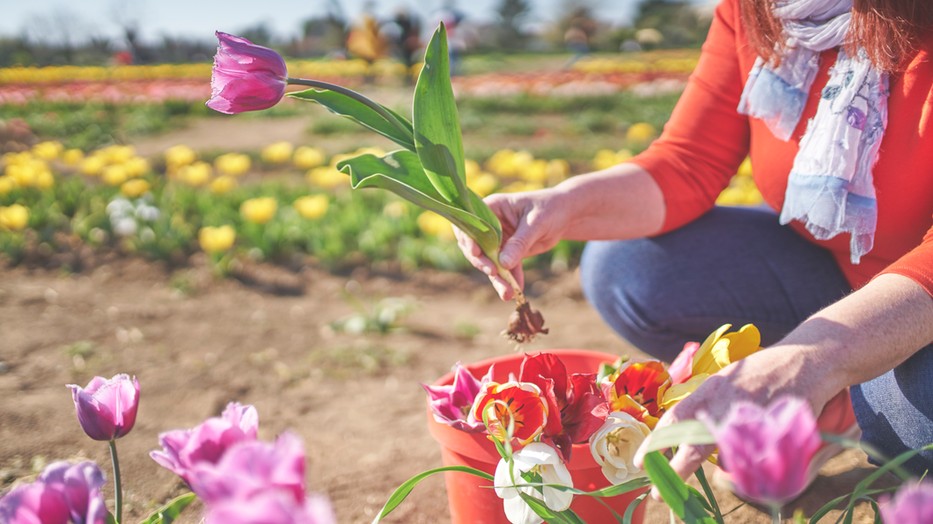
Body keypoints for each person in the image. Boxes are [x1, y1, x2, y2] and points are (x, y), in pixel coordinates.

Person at [456, 0, 933, 484]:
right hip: (844, 273)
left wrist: (818, 356)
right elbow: (690, 161)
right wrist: (559, 205)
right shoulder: (762, 10)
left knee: (912, 415)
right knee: (629, 267)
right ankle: (837, 405)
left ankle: (851, 392)